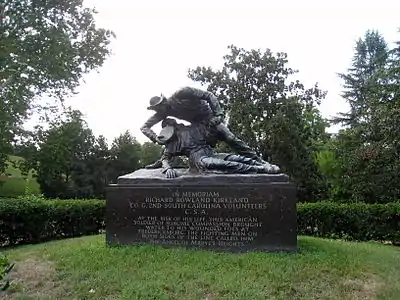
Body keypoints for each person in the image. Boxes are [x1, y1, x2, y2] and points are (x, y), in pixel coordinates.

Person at [140, 86, 266, 164]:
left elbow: (208, 95)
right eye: (156, 110)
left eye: (158, 108)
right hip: (197, 127)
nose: (158, 112)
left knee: (230, 138)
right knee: (199, 152)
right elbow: (144, 127)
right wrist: (155, 138)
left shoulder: (182, 93)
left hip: (210, 118)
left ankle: (257, 160)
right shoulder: (163, 112)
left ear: (163, 102)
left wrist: (218, 115)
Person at [156, 118, 280, 178]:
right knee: (226, 164)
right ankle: (261, 169)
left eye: (175, 122)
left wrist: (212, 126)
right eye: (172, 125)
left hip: (210, 152)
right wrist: (167, 169)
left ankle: (264, 165)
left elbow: (210, 137)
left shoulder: (193, 128)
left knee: (236, 158)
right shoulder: (174, 141)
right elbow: (165, 158)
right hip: (199, 159)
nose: (178, 125)